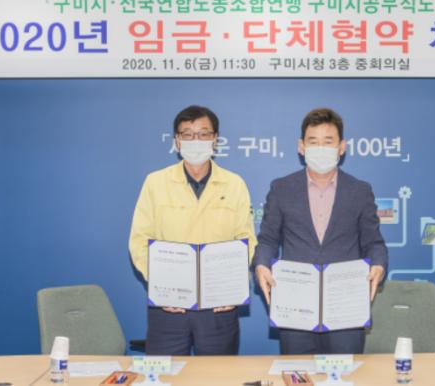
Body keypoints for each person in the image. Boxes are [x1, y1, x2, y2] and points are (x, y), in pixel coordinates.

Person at [252, 108, 388, 354]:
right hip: (296, 306)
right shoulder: (282, 188)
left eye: (328, 141)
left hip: (345, 309)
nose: (320, 148)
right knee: (298, 373)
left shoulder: (359, 191)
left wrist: (378, 264)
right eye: (313, 142)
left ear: (341, 147)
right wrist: (261, 264)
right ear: (301, 146)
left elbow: (373, 243)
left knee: (347, 372)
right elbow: (268, 239)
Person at [129, 105, 256, 355]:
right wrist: (161, 285)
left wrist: (233, 288)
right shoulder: (155, 182)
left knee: (218, 375)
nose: (195, 141)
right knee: (166, 374)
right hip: (168, 307)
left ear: (215, 140)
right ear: (177, 141)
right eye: (187, 134)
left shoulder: (234, 184)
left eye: (203, 134)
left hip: (218, 307)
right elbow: (139, 240)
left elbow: (247, 240)